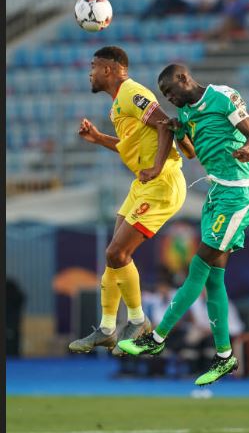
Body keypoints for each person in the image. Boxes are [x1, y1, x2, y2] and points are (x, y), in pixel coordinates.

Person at [119, 64, 249, 386]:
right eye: (166, 97)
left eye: (171, 92)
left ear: (184, 79)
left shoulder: (224, 97)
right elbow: (192, 153)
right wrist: (177, 132)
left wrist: (246, 150)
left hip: (239, 195)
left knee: (198, 267)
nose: (170, 99)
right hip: (217, 193)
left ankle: (156, 339)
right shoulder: (185, 115)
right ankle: (224, 357)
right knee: (214, 279)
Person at [69, 46, 187, 356]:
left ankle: (138, 321)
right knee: (114, 256)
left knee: (117, 252)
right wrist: (99, 139)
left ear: (109, 69)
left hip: (161, 182)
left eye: (94, 66)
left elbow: (165, 124)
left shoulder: (132, 91)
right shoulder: (116, 106)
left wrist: (158, 165)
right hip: (143, 183)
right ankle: (107, 328)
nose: (90, 73)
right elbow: (131, 144)